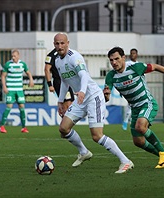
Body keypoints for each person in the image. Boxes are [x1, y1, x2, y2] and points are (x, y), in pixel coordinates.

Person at [54, 32, 133, 174]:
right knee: (63, 129)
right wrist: (60, 101)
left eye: (62, 43)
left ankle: (125, 161)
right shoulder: (57, 61)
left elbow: (83, 75)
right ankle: (84, 152)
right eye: (57, 43)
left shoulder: (75, 57)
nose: (60, 46)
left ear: (67, 43)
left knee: (97, 136)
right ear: (54, 45)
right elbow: (65, 82)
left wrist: (83, 91)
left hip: (93, 97)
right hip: (80, 99)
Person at [103, 47, 164, 169]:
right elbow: (107, 97)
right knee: (138, 142)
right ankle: (163, 155)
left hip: (147, 103)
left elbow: (156, 67)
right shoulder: (111, 76)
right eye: (111, 60)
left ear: (123, 58)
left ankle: (163, 153)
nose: (114, 62)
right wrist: (106, 95)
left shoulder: (135, 67)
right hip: (135, 108)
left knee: (140, 126)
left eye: (116, 59)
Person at [0, 49, 34, 133]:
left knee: (22, 107)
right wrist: (4, 87)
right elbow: (3, 76)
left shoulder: (22, 64)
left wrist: (31, 80)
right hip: (11, 89)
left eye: (15, 56)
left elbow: (28, 72)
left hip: (19, 89)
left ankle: (24, 127)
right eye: (12, 56)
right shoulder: (8, 64)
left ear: (18, 56)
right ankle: (1, 126)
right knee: (9, 107)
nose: (13, 58)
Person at [122, 48, 138, 130]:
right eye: (131, 53)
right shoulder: (127, 64)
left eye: (134, 53)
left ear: (137, 54)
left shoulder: (139, 65)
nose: (132, 55)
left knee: (137, 108)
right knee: (130, 107)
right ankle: (125, 122)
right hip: (130, 89)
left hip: (138, 89)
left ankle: (132, 122)